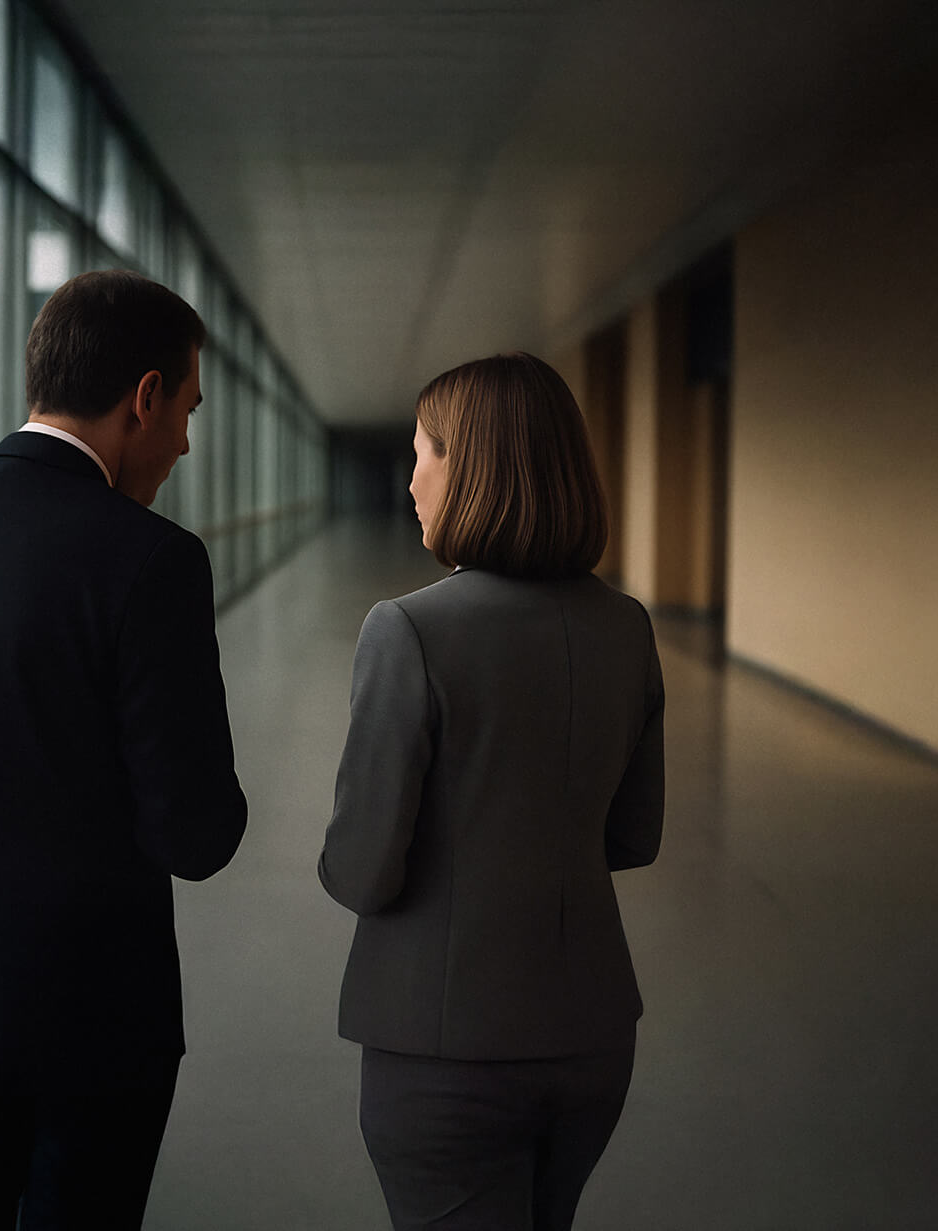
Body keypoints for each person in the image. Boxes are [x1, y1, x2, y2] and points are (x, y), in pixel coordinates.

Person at [0, 269, 248, 1229]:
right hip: (92, 1006)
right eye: (187, 411)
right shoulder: (152, 559)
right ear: (144, 396)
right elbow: (195, 834)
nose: (186, 441)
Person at [319, 352, 665, 1231]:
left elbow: (362, 870)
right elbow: (633, 836)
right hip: (592, 1037)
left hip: (445, 1050)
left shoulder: (408, 629)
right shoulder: (626, 626)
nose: (411, 482)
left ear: (470, 468)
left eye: (423, 454)